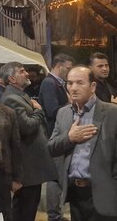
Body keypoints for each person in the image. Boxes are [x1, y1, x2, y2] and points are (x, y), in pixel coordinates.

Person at [48, 66, 117, 221]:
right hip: (75, 194)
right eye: (70, 83)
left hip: (106, 194)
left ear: (93, 86)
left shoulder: (112, 113)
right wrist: (69, 138)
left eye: (80, 83)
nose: (73, 88)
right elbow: (51, 148)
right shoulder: (63, 113)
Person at [0, 62, 57, 221]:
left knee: (28, 208)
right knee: (25, 210)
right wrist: (38, 111)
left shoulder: (18, 95)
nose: (27, 73)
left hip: (31, 168)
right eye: (22, 71)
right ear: (12, 79)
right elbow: (27, 126)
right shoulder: (11, 99)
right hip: (28, 168)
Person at [38, 54, 75, 221]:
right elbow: (52, 110)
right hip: (55, 134)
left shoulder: (58, 83)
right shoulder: (49, 83)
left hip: (63, 134)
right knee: (55, 177)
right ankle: (54, 216)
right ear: (59, 66)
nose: (69, 71)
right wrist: (71, 103)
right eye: (68, 68)